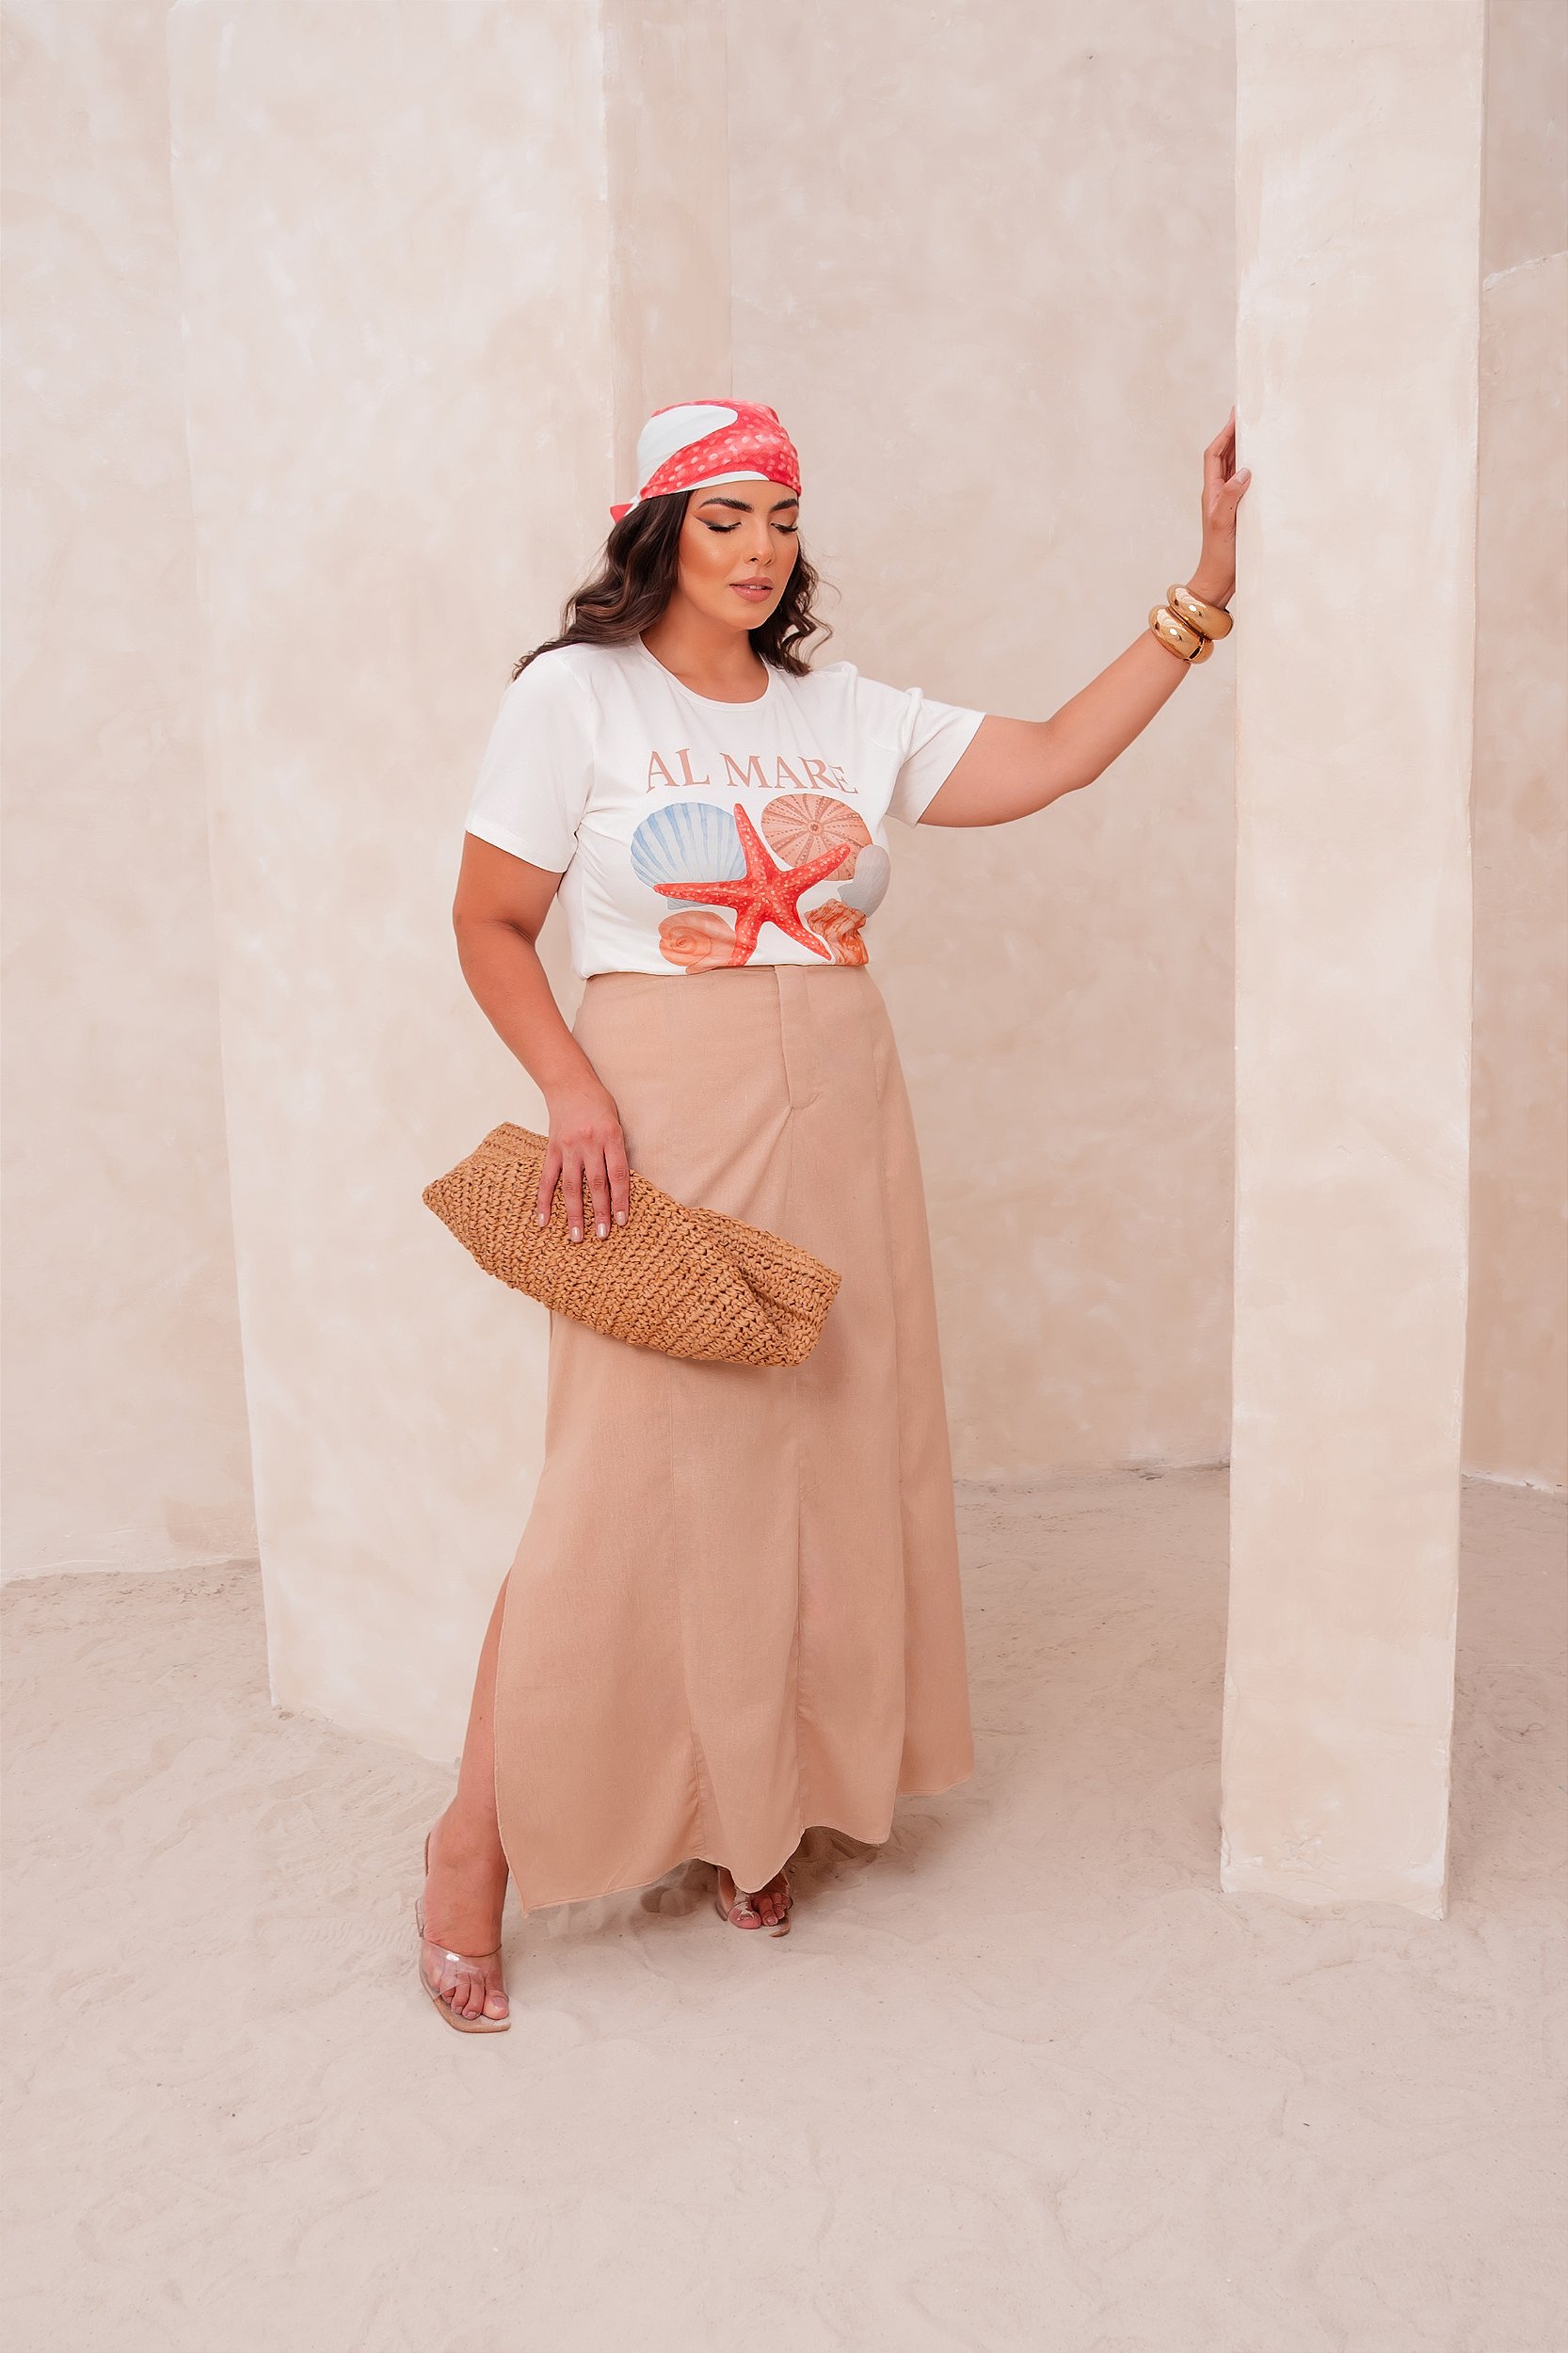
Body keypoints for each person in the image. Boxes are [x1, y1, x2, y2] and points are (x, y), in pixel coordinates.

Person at [414, 397, 1251, 2031]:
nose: (758, 550)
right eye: (723, 517)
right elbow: (489, 921)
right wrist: (572, 1090)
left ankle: (753, 1811)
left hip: (847, 1115)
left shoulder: (843, 712)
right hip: (660, 1115)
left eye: (781, 519)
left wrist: (1200, 592)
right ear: (659, 531)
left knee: (810, 1474)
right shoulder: (574, 696)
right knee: (617, 1492)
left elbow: (1051, 757)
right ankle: (469, 1850)